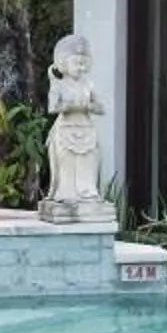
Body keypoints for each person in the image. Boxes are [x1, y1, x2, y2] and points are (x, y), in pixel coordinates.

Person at [43, 33, 108, 218]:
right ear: (63, 64)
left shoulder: (89, 84)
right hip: (66, 128)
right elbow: (52, 108)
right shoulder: (59, 85)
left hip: (86, 128)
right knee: (67, 163)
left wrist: (89, 106)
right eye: (75, 63)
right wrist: (71, 106)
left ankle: (87, 192)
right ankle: (66, 193)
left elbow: (101, 107)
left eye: (83, 63)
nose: (80, 68)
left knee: (89, 160)